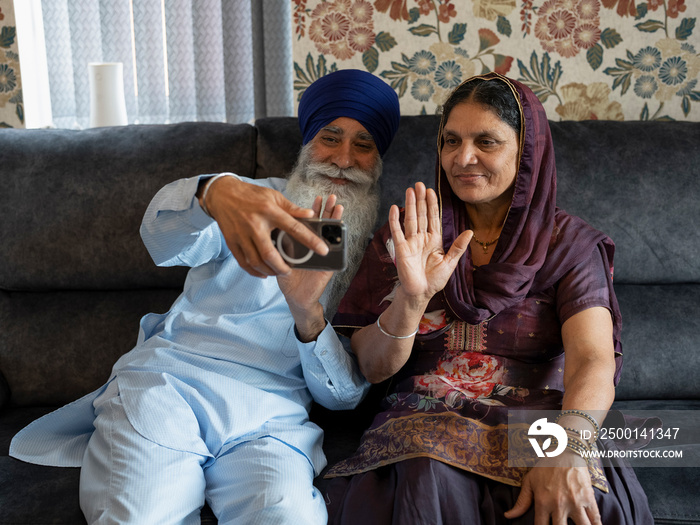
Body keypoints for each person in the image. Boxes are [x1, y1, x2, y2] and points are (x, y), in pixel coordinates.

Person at [10, 69, 400, 525]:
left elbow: (344, 397)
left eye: (363, 144)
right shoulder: (252, 200)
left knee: (290, 516)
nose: (344, 159)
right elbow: (161, 240)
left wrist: (306, 312)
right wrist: (212, 191)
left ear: (379, 160)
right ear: (307, 141)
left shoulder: (382, 256)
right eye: (330, 138)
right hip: (170, 386)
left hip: (271, 417)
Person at [325, 73, 653, 524]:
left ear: (527, 151)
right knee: (424, 476)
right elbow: (371, 367)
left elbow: (593, 358)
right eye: (451, 140)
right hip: (425, 425)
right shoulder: (411, 235)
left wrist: (567, 447)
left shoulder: (569, 245)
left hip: (540, 423)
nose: (463, 158)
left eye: (487, 141)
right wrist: (412, 298)